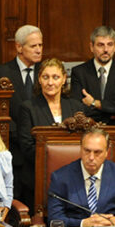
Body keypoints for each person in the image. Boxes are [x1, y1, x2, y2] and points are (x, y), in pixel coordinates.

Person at [18, 57, 87, 210]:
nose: (50, 82)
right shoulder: (29, 108)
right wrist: (55, 158)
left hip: (72, 179)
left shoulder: (76, 107)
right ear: (39, 80)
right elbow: (27, 146)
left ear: (63, 79)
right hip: (38, 179)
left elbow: (83, 141)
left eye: (55, 77)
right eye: (45, 77)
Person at [70, 26, 115, 165]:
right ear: (91, 46)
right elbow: (77, 109)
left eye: (110, 45)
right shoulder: (80, 72)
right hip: (90, 144)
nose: (106, 50)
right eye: (101, 45)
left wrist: (96, 104)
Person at [0, 25, 43, 203]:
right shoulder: (2, 72)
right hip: (14, 148)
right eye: (33, 46)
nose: (38, 50)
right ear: (19, 47)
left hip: (40, 148)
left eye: (40, 45)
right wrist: (22, 134)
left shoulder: (46, 73)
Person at [46, 128, 115, 227]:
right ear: (81, 149)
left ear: (106, 152)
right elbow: (54, 219)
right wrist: (83, 224)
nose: (91, 157)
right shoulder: (61, 177)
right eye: (87, 151)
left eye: (97, 152)